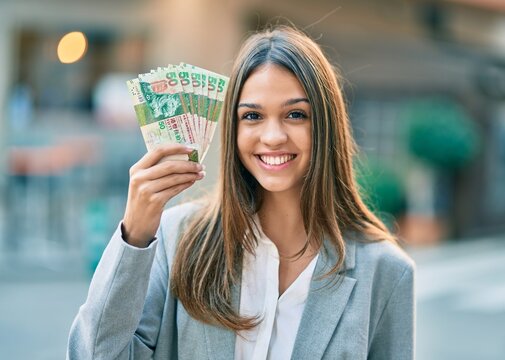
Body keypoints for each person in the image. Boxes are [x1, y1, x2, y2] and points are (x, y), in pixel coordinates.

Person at [67, 25, 415, 360]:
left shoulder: (385, 271)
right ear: (233, 127)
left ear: (326, 124)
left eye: (296, 114)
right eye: (252, 116)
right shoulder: (176, 239)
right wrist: (135, 235)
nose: (273, 136)